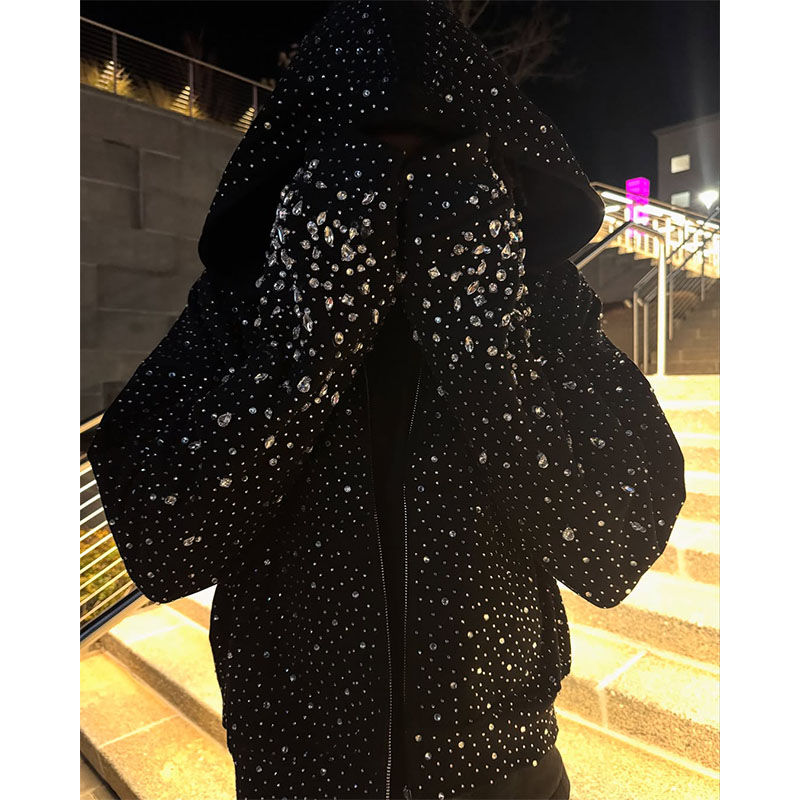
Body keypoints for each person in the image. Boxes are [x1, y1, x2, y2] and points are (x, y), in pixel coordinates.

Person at [87, 2, 686, 798]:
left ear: (494, 176)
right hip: (298, 772)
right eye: (361, 169)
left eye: (442, 170)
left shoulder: (538, 308)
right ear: (303, 176)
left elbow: (613, 547)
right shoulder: (243, 308)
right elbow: (164, 541)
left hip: (503, 768)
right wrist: (308, 340)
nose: (399, 198)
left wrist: (482, 345)